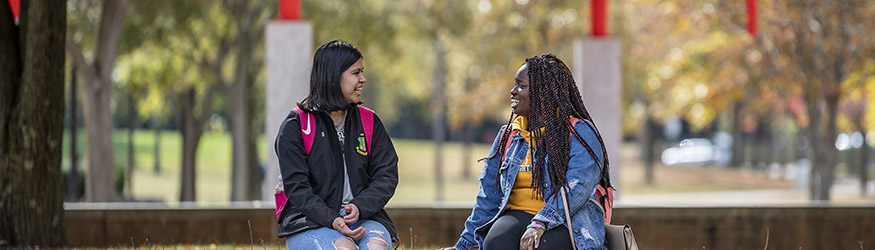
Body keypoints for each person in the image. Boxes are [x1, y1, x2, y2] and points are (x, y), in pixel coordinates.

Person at [448, 54, 611, 250]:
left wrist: (541, 222)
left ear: (543, 93)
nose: (513, 91)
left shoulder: (579, 132)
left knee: (540, 246)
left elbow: (578, 186)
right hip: (517, 214)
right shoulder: (507, 135)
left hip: (567, 221)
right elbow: (487, 198)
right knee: (495, 243)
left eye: (521, 86)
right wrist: (463, 246)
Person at [275, 40, 399, 250]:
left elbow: (386, 176)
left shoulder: (370, 122)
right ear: (334, 76)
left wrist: (359, 207)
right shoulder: (296, 125)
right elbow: (297, 189)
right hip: (309, 223)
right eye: (355, 73)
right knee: (344, 248)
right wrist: (333, 219)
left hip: (366, 220)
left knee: (375, 247)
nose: (363, 79)